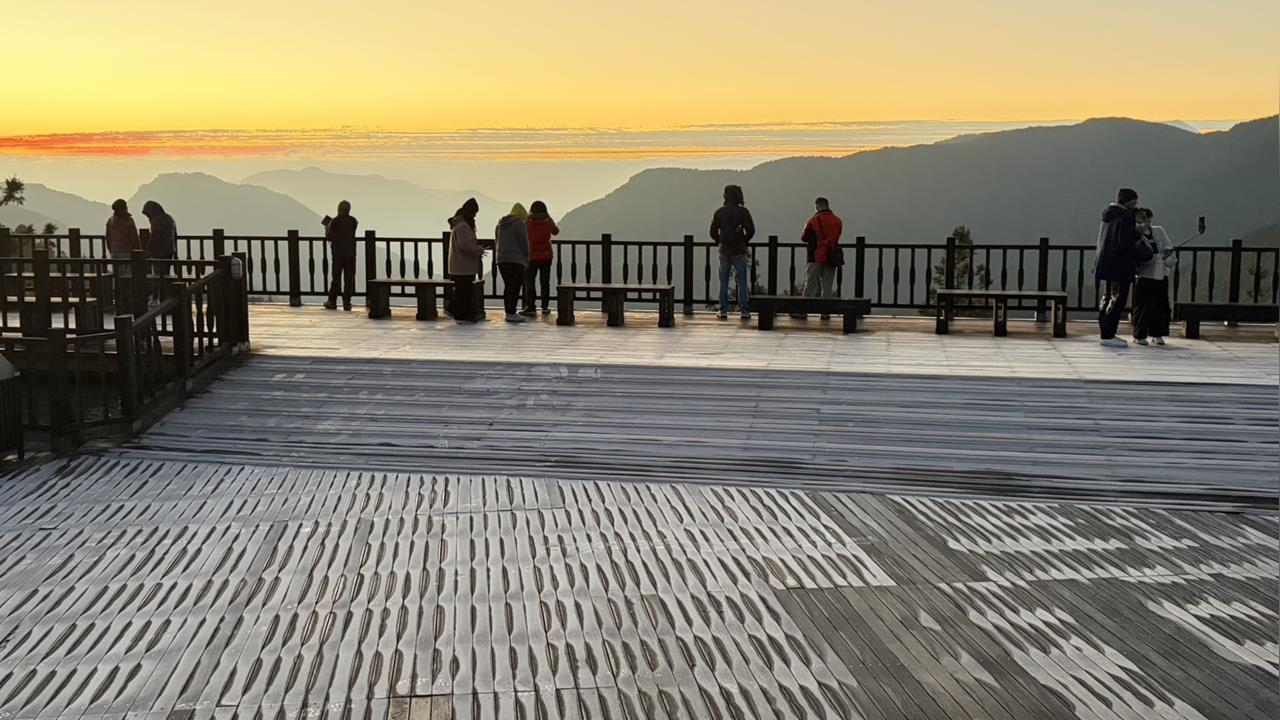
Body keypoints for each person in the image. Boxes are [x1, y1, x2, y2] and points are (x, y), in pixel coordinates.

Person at [1093, 188, 1141, 347]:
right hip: (1119, 265)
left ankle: (1105, 332)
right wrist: (1138, 233)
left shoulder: (1108, 214)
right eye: (1134, 201)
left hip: (1105, 263)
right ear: (1129, 201)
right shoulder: (1126, 216)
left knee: (1107, 298)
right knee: (1117, 299)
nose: (1135, 204)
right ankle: (1109, 335)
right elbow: (1125, 242)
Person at [709, 184, 755, 319]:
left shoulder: (719, 212)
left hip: (724, 250)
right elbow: (751, 230)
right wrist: (744, 241)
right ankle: (744, 310)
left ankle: (723, 310)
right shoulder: (743, 212)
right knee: (742, 281)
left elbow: (712, 232)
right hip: (739, 250)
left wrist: (719, 241)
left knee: (723, 281)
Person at [1131, 207, 1174, 345]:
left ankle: (1158, 333)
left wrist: (1167, 255)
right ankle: (1139, 335)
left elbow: (1169, 247)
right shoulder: (1135, 233)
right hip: (1145, 274)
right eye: (1143, 219)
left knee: (1161, 305)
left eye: (1148, 218)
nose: (1146, 221)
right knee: (1143, 306)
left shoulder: (1159, 231)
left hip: (1160, 273)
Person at [797, 197, 844, 320]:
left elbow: (804, 238)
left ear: (817, 207)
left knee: (810, 285)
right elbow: (838, 235)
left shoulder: (812, 221)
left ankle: (803, 312)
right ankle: (825, 313)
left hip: (815, 256)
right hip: (831, 257)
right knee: (827, 286)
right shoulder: (838, 221)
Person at [447, 198, 483, 324]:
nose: (474, 216)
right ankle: (461, 315)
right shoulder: (463, 226)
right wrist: (478, 249)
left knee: (462, 291)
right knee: (464, 292)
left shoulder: (458, 225)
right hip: (463, 266)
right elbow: (464, 245)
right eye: (473, 213)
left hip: (459, 265)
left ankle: (460, 314)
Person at [495, 203, 530, 323]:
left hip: (502, 259)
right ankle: (511, 313)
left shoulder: (500, 224)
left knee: (508, 286)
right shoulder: (519, 223)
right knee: (514, 287)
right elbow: (523, 242)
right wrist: (527, 257)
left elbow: (497, 241)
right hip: (516, 260)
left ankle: (508, 312)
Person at [521, 200, 558, 316]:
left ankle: (531, 306)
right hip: (546, 256)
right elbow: (556, 231)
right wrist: (549, 218)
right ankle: (545, 306)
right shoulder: (548, 222)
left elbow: (523, 232)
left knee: (530, 282)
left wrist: (528, 217)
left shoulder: (528, 223)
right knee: (545, 282)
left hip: (532, 256)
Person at [323, 200, 359, 310]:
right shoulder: (353, 221)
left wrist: (327, 228)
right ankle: (347, 302)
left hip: (338, 254)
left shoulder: (335, 221)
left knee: (336, 278)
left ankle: (332, 301)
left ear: (339, 209)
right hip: (350, 254)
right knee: (349, 279)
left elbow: (330, 237)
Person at [105, 199, 141, 308]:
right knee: (128, 279)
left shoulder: (110, 221)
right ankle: (128, 303)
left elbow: (108, 238)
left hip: (115, 253)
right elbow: (134, 237)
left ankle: (119, 302)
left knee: (118, 279)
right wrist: (139, 250)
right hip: (127, 253)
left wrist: (111, 250)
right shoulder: (128, 221)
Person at [140, 200, 178, 299]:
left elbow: (154, 237)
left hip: (158, 252)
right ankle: (165, 296)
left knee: (157, 276)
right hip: (169, 250)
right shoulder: (169, 218)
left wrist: (147, 248)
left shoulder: (156, 221)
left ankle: (156, 297)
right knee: (166, 274)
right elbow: (175, 235)